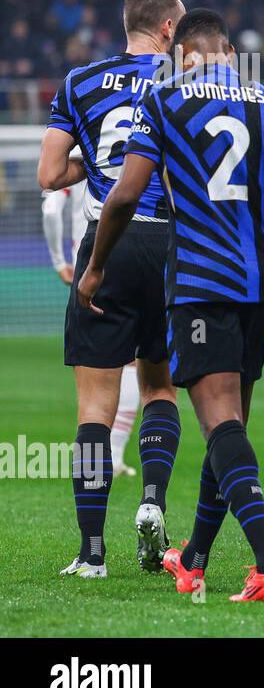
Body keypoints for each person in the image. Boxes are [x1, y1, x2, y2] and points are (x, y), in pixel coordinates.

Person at [80, 8, 264, 601]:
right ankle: (195, 558)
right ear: (228, 50)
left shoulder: (164, 103)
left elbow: (126, 193)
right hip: (255, 286)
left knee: (220, 422)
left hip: (200, 285)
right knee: (229, 424)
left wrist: (96, 266)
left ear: (183, 55)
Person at [37, 0, 185, 577]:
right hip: (173, 246)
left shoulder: (81, 81)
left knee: (95, 408)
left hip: (109, 241)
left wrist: (98, 163)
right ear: (170, 30)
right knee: (159, 389)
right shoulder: (188, 86)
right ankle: (151, 502)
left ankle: (92, 552)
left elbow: (50, 175)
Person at [43, 181, 141, 478]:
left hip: (89, 266)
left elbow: (50, 210)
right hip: (144, 252)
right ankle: (116, 453)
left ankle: (94, 463)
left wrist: (60, 262)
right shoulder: (142, 149)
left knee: (95, 375)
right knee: (138, 361)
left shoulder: (80, 152)